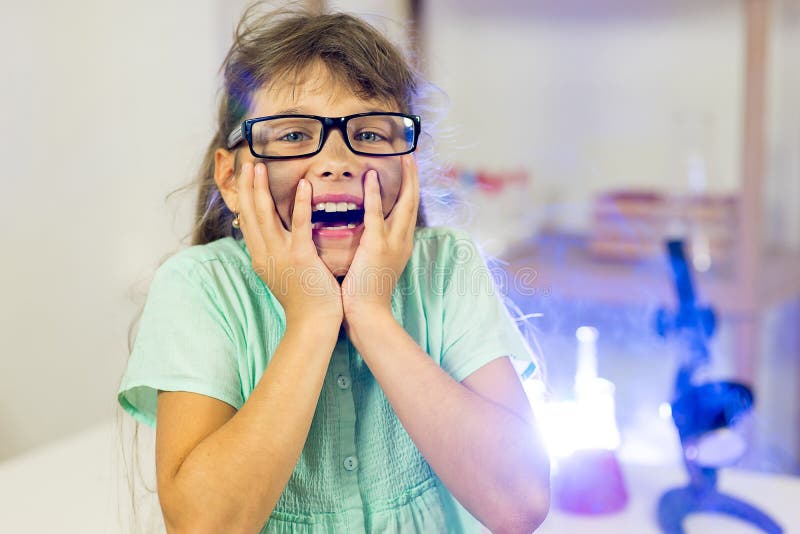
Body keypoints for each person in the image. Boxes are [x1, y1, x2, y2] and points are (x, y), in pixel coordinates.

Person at [117, 4, 550, 533]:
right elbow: (205, 526)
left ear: (409, 164)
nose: (338, 159)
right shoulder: (199, 286)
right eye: (294, 135)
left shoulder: (446, 264)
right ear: (231, 179)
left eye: (369, 134)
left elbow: (521, 502)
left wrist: (370, 312)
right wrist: (311, 320)